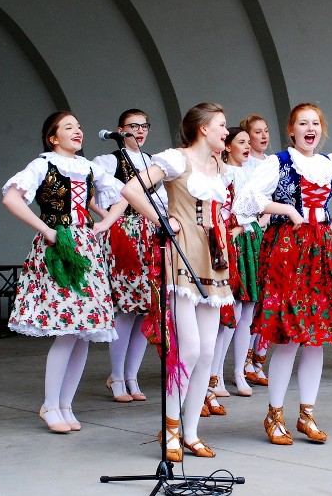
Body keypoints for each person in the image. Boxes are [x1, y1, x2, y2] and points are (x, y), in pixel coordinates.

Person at [234, 103, 332, 445]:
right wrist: (285, 208)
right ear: (291, 129)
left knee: (315, 337)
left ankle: (307, 414)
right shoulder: (279, 162)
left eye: (315, 122)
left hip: (319, 246)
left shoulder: (330, 164)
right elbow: (247, 201)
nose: (310, 128)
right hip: (287, 247)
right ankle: (274, 414)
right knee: (289, 335)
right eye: (303, 123)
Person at [2, 111, 127, 433]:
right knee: (68, 329)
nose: (78, 131)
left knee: (83, 331)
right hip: (58, 248)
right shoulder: (42, 164)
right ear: (53, 137)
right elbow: (12, 198)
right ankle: (50, 404)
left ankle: (66, 405)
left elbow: (124, 196)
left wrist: (105, 224)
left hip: (86, 247)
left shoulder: (89, 168)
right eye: (68, 127)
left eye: (79, 127)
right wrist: (48, 230)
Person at [122, 103, 234, 461]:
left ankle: (190, 431)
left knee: (207, 351)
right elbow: (131, 190)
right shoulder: (176, 159)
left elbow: (238, 205)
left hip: (215, 258)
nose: (226, 132)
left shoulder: (221, 167)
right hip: (182, 254)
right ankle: (170, 427)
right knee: (187, 349)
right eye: (221, 125)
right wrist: (162, 219)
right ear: (203, 128)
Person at [93, 109, 168, 404]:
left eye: (144, 126)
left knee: (146, 308)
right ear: (120, 129)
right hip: (124, 235)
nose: (139, 131)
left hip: (150, 234)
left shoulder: (152, 162)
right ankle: (117, 375)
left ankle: (132, 375)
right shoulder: (109, 161)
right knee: (125, 308)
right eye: (132, 126)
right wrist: (108, 218)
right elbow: (90, 193)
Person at [206, 127, 259, 411]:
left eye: (249, 142)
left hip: (247, 239)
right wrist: (236, 228)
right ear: (227, 146)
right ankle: (214, 377)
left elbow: (257, 208)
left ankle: (238, 370)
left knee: (245, 311)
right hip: (230, 240)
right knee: (227, 311)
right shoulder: (223, 172)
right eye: (241, 141)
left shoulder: (252, 172)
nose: (247, 146)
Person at [239, 114, 272, 387]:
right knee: (252, 298)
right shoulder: (244, 165)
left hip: (272, 234)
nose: (263, 136)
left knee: (269, 299)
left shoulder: (273, 162)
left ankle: (259, 358)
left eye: (265, 131)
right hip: (253, 233)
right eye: (257, 132)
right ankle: (245, 361)